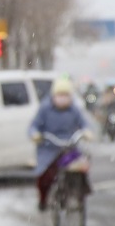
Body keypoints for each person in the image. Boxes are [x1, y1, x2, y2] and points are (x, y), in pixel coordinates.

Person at [29, 76, 91, 209]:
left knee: (81, 167)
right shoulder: (45, 109)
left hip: (69, 147)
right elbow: (34, 126)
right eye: (60, 95)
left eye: (65, 95)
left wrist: (86, 132)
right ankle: (43, 200)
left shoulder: (74, 110)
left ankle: (79, 193)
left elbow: (84, 124)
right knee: (45, 176)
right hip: (49, 148)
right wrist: (35, 134)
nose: (62, 98)